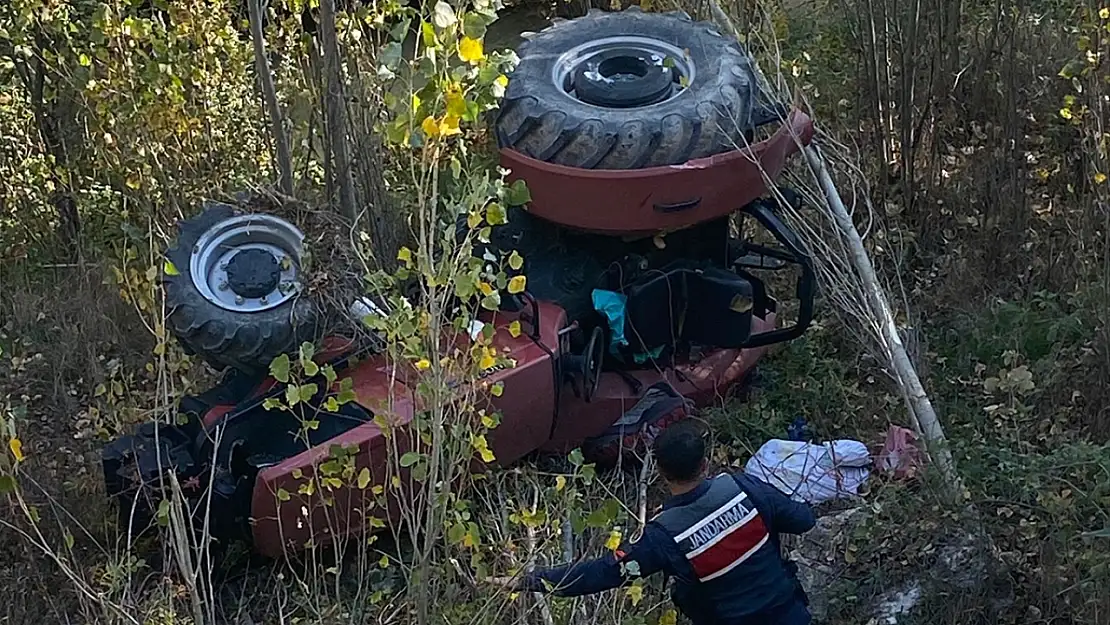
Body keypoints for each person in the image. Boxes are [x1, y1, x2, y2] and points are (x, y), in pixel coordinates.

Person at [489, 419, 816, 625]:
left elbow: (601, 573)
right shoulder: (745, 488)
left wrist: (531, 580)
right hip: (791, 614)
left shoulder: (664, 535)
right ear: (705, 464)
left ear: (659, 472)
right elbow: (803, 520)